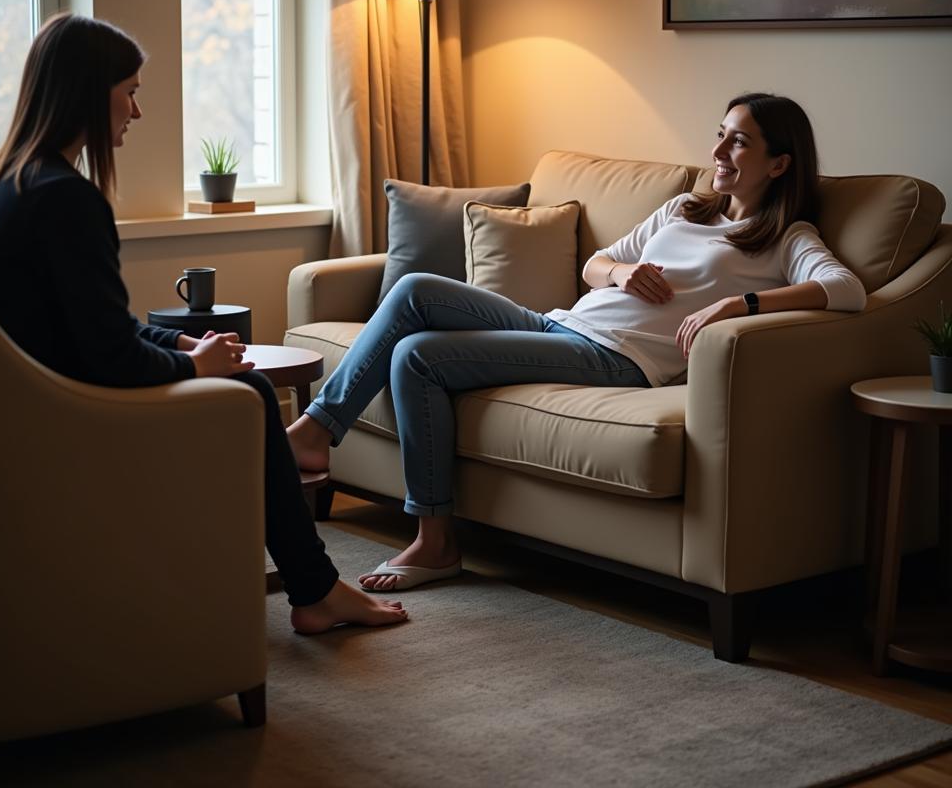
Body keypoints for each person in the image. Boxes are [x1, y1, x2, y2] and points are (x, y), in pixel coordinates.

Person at [286, 93, 867, 592]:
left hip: (615, 359)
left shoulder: (786, 238)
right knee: (414, 290)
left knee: (417, 357)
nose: (717, 153)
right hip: (559, 323)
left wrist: (737, 304)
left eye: (738, 143)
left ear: (779, 163)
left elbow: (846, 290)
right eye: (720, 136)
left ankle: (429, 538)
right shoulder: (684, 208)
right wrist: (619, 273)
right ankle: (319, 432)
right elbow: (597, 262)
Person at [0, 12, 407, 634]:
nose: (136, 112)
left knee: (237, 384)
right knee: (247, 394)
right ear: (90, 92)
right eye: (130, 92)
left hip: (26, 412)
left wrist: (178, 341)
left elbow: (85, 325)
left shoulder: (1, 184)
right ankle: (316, 590)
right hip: (62, 426)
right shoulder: (65, 199)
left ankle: (314, 586)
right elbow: (109, 356)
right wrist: (195, 366)